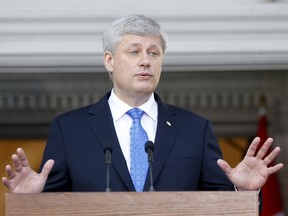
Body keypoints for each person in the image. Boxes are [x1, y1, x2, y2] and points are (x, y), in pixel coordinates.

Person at [2, 14, 283, 195]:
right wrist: (30, 203)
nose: (145, 60)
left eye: (154, 52)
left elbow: (222, 207)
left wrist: (242, 191)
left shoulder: (194, 129)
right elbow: (52, 208)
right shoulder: (69, 130)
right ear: (109, 60)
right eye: (134, 51)